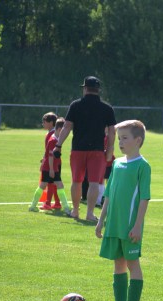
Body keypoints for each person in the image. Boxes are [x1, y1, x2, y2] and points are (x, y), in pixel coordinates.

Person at [95, 120, 151, 301]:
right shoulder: (117, 164)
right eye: (119, 138)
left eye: (125, 138)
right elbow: (108, 195)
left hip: (130, 227)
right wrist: (101, 221)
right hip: (114, 225)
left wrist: (137, 226)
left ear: (138, 140)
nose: (120, 142)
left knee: (132, 264)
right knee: (118, 264)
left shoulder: (143, 166)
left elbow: (144, 198)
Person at [54, 76, 116, 221]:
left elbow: (67, 127)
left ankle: (75, 211)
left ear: (85, 89)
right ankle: (90, 213)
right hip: (97, 150)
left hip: (78, 149)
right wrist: (110, 151)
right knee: (94, 182)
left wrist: (58, 145)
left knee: (76, 181)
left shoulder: (75, 105)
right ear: (98, 90)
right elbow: (112, 132)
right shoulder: (107, 108)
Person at [29, 118, 70, 213]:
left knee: (54, 185)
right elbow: (51, 156)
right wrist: (51, 169)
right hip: (49, 168)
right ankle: (66, 207)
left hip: (51, 167)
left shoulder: (56, 139)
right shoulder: (53, 141)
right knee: (46, 185)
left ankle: (33, 206)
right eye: (64, 130)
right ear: (59, 129)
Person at [40, 112, 62, 210]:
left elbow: (50, 151)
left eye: (44, 122)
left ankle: (48, 203)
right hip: (55, 162)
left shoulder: (52, 135)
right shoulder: (51, 133)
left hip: (52, 163)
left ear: (51, 123)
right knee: (55, 183)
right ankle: (57, 203)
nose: (43, 124)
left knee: (50, 183)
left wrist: (45, 161)